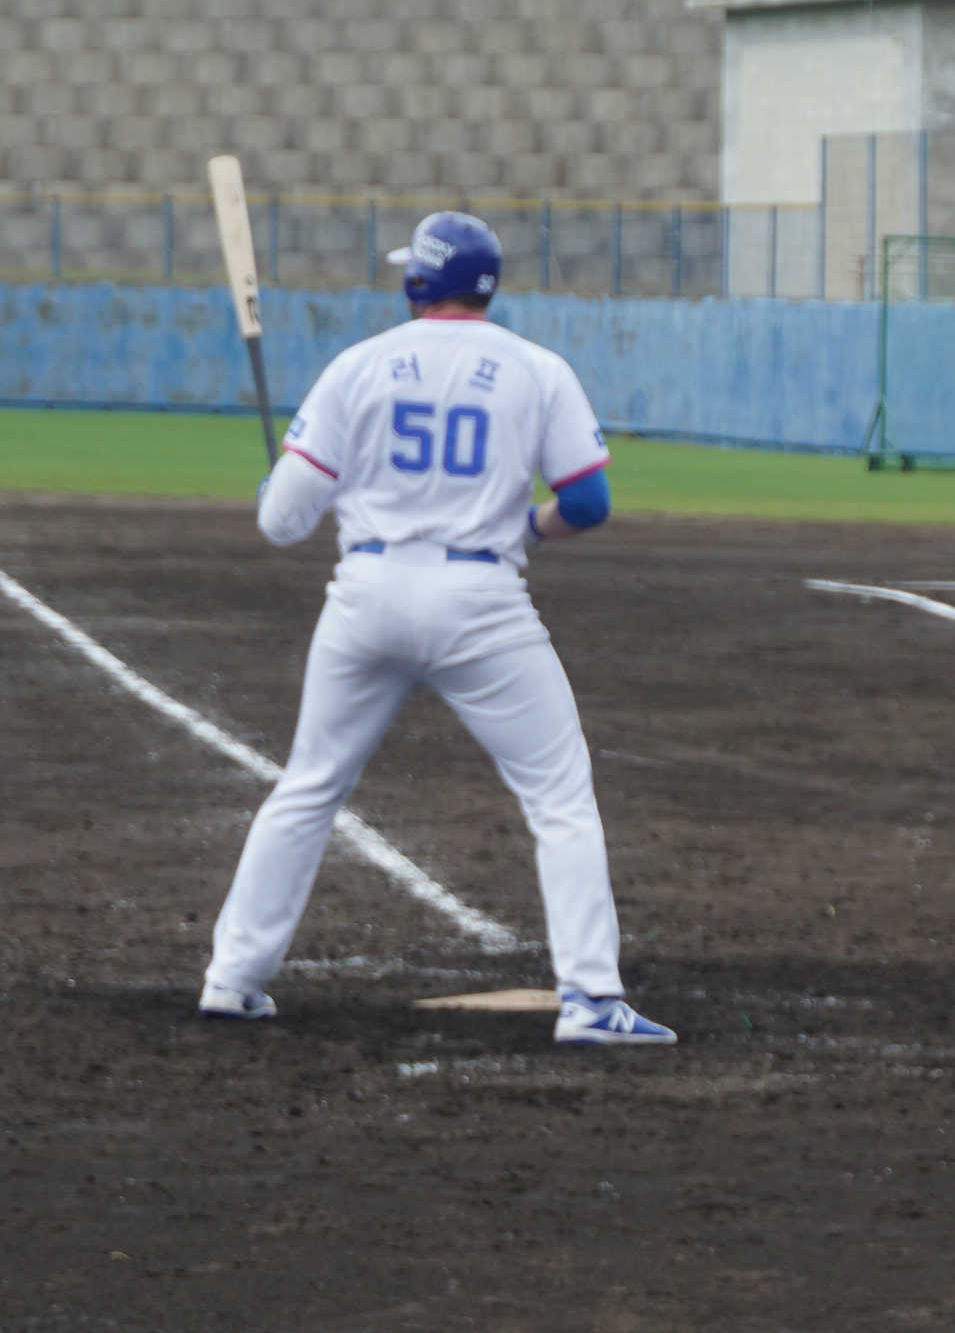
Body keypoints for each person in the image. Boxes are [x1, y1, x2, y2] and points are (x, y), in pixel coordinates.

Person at [199, 212, 671, 1050]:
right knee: (560, 795)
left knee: (308, 786)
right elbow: (590, 502)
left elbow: (281, 523)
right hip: (481, 599)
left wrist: (282, 474)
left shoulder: (358, 366)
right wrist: (528, 530)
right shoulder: (537, 368)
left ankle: (233, 980)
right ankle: (592, 1001)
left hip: (367, 592)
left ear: (418, 281)